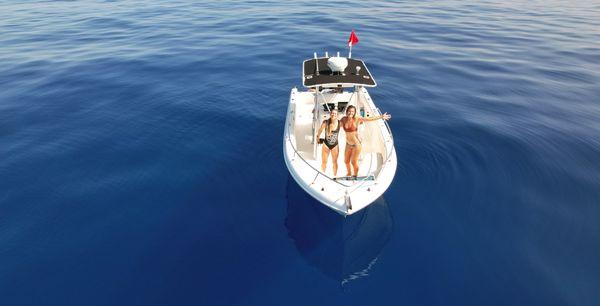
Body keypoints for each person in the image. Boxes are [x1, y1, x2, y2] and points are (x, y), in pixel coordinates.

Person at [340, 105, 391, 179]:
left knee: (353, 162)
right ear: (347, 111)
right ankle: (349, 173)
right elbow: (337, 124)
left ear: (354, 113)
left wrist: (381, 117)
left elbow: (369, 119)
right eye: (349, 111)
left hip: (356, 144)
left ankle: (355, 175)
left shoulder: (357, 119)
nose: (351, 112)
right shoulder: (343, 119)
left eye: (352, 111)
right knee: (346, 161)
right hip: (348, 144)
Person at [315, 109, 341, 177]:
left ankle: (335, 176)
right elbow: (320, 130)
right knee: (324, 162)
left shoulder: (339, 123)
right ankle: (323, 174)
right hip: (326, 144)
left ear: (337, 115)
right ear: (330, 114)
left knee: (334, 162)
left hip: (335, 145)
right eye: (332, 113)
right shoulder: (325, 122)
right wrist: (317, 137)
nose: (333, 114)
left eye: (335, 113)